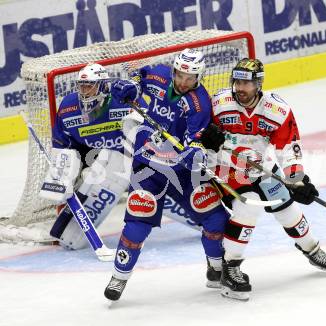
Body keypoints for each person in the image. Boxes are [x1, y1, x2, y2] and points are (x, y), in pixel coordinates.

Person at [201, 58, 326, 301]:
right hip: (225, 167)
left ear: (258, 84)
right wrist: (207, 138)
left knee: (287, 206)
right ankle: (230, 267)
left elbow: (288, 147)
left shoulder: (277, 110)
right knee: (248, 206)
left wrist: (297, 180)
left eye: (246, 83)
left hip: (260, 167)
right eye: (237, 82)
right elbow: (196, 131)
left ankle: (313, 250)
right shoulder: (219, 103)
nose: (240, 88)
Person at [103, 48, 231, 301]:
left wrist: (194, 153)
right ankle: (119, 277)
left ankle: (217, 268)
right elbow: (137, 82)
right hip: (147, 167)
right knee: (137, 225)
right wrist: (127, 89)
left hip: (182, 173)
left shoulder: (200, 104)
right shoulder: (158, 74)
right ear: (174, 70)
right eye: (180, 75)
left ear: (199, 77)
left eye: (190, 77)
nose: (184, 82)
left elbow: (196, 141)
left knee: (216, 218)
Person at [39, 63, 138, 250]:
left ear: (103, 86)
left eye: (89, 85)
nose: (84, 90)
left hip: (125, 158)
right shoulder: (69, 106)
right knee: (75, 179)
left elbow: (143, 133)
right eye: (82, 86)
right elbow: (63, 144)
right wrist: (65, 173)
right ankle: (70, 228)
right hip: (92, 156)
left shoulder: (123, 101)